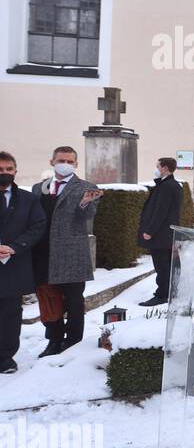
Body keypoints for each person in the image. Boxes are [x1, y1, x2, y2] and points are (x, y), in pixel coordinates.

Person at [31, 146, 103, 356]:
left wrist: (84, 203)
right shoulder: (39, 188)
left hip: (72, 253)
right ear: (52, 161)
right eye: (62, 160)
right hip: (44, 252)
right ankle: (53, 340)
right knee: (48, 298)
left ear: (76, 165)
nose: (66, 164)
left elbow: (88, 216)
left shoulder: (86, 187)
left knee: (74, 300)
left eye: (70, 161)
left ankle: (72, 342)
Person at [0, 152, 47, 375]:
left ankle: (6, 357)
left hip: (14, 264)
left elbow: (38, 226)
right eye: (0, 170)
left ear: (15, 172)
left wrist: (15, 247)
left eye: (9, 169)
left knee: (10, 314)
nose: (5, 173)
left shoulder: (28, 199)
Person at [137, 157, 184, 306]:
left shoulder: (166, 186)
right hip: (168, 234)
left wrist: (150, 231)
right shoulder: (173, 185)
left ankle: (162, 295)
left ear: (164, 168)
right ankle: (172, 292)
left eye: (158, 166)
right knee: (170, 265)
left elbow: (160, 211)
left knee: (162, 266)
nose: (156, 168)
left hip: (161, 235)